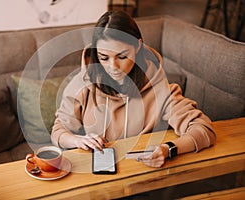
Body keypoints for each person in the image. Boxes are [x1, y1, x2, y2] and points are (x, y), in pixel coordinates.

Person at [51, 10, 216, 168]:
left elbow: (204, 130)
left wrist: (168, 149)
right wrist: (77, 140)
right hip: (97, 176)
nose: (113, 66)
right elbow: (58, 132)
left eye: (122, 56)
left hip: (141, 175)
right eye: (104, 57)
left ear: (138, 46)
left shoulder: (159, 88)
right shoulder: (82, 84)